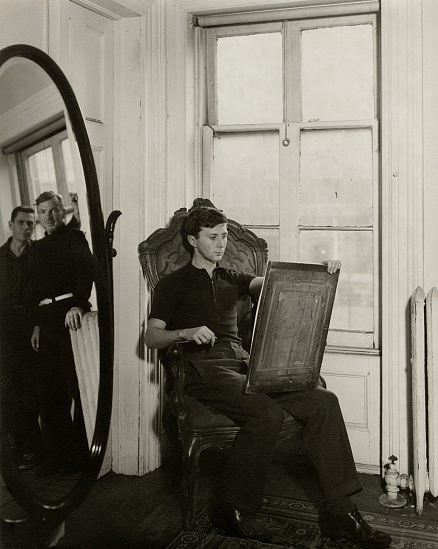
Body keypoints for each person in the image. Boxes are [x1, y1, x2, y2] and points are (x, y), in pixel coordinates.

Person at [145, 206, 392, 548]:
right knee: (266, 412)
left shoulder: (232, 278)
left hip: (242, 365)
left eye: (225, 236)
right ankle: (234, 508)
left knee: (323, 401)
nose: (221, 244)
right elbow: (152, 336)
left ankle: (341, 512)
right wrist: (185, 331)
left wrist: (321, 270)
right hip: (202, 370)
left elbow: (278, 283)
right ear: (192, 240)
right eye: (213, 237)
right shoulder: (173, 284)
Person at [27, 191, 94, 476]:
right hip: (47, 323)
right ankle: (59, 457)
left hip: (70, 318)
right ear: (38, 216)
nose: (49, 217)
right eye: (43, 212)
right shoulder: (37, 248)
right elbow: (35, 290)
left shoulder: (75, 238)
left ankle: (80, 457)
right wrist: (37, 324)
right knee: (50, 393)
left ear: (62, 212)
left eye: (53, 210)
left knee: (75, 389)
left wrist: (78, 304)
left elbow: (86, 272)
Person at [0, 206, 41, 470]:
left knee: (31, 389)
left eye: (31, 223)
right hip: (4, 329)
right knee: (8, 387)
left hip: (30, 328)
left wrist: (38, 325)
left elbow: (43, 291)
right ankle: (16, 445)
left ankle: (33, 447)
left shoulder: (39, 254)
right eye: (22, 223)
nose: (27, 228)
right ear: (11, 224)